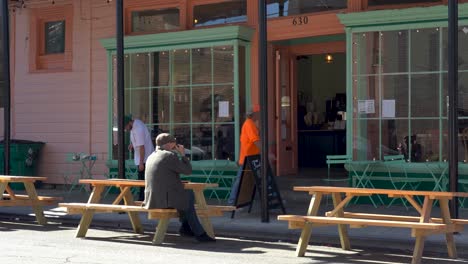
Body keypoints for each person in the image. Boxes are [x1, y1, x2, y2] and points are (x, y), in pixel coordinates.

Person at [143, 133, 215, 242]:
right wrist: (182, 155)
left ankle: (186, 227)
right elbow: (187, 171)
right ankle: (199, 233)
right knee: (189, 195)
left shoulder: (151, 156)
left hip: (151, 199)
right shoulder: (169, 156)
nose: (175, 145)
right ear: (168, 144)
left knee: (185, 196)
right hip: (164, 201)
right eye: (174, 143)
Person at [227, 105, 261, 205]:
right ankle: (232, 202)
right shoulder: (249, 124)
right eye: (258, 113)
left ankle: (267, 199)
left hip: (251, 158)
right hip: (248, 159)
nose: (259, 115)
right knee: (240, 181)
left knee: (249, 181)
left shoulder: (251, 124)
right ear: (254, 114)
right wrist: (266, 153)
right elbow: (256, 141)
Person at [124, 115, 154, 201]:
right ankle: (143, 199)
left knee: (142, 181)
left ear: (129, 123)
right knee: (142, 180)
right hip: (141, 157)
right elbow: (139, 140)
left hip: (145, 158)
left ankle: (143, 200)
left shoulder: (138, 129)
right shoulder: (135, 124)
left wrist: (141, 163)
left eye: (125, 127)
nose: (125, 129)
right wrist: (133, 144)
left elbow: (142, 147)